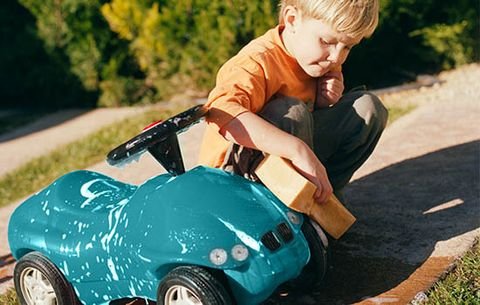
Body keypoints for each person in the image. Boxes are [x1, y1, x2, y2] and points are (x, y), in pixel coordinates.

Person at [198, 0, 388, 204]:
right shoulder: (256, 62)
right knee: (291, 111)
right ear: (292, 20)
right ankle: (282, 210)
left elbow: (307, 122)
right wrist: (297, 150)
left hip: (288, 162)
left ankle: (320, 200)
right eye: (327, 41)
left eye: (347, 47)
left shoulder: (321, 61)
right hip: (232, 182)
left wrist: (324, 102)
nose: (336, 57)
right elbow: (219, 113)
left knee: (368, 108)